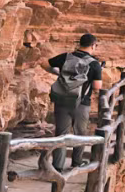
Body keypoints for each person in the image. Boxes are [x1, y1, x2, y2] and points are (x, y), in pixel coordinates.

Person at [45, 33, 104, 171]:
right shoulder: (95, 64)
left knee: (61, 134)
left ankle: (57, 166)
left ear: (80, 43)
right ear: (93, 46)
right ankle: (76, 162)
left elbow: (45, 64)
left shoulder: (65, 57)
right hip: (82, 103)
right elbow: (97, 86)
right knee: (80, 133)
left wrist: (58, 73)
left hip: (62, 100)